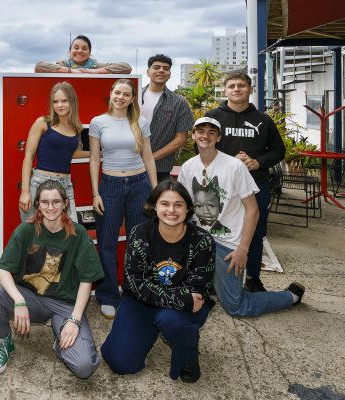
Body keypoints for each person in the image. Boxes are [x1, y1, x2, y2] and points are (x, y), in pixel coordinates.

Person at [178, 117, 305, 317]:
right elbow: (185, 208)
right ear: (193, 135)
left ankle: (290, 296)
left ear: (219, 137)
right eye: (200, 131)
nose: (205, 136)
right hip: (199, 241)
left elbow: (253, 210)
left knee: (236, 306)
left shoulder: (234, 166)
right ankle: (211, 284)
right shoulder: (187, 167)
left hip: (228, 244)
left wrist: (242, 250)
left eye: (212, 132)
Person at [0, 179, 104, 378]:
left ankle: (60, 335)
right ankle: (3, 342)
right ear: (37, 204)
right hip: (32, 300)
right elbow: (2, 270)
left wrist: (74, 319)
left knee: (84, 368)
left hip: (65, 305)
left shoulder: (78, 234)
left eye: (56, 201)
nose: (50, 207)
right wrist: (19, 301)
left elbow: (86, 280)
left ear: (65, 203)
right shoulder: (26, 230)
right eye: (45, 202)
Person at [101, 180, 215, 383]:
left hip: (179, 310)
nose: (171, 210)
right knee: (121, 363)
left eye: (178, 204)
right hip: (142, 303)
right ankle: (148, 331)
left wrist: (180, 301)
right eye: (164, 204)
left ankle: (188, 348)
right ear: (153, 207)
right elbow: (136, 284)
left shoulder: (202, 240)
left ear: (188, 209)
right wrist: (180, 298)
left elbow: (197, 291)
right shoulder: (139, 234)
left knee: (169, 320)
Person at [205, 71, 286, 293]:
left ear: (250, 89)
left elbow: (279, 150)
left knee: (256, 233)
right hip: (219, 186)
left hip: (256, 185)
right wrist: (230, 163)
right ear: (225, 90)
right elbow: (200, 146)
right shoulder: (212, 117)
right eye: (231, 86)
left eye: (241, 85)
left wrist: (257, 162)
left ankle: (252, 278)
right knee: (215, 230)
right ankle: (213, 278)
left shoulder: (263, 120)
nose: (237, 89)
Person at [89, 78, 158, 319]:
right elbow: (95, 158)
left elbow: (149, 157)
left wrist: (155, 191)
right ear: (110, 94)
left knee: (137, 241)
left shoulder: (141, 122)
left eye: (126, 94)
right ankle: (108, 294)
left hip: (139, 184)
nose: (120, 97)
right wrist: (96, 192)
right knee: (107, 242)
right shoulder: (98, 122)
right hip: (110, 186)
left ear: (132, 98)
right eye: (117, 92)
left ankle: (134, 290)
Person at [19, 81, 89, 222]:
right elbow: (28, 157)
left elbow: (71, 154)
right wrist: (25, 191)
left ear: (72, 102)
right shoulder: (43, 123)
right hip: (40, 183)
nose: (59, 105)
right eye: (55, 101)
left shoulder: (76, 127)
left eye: (64, 101)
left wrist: (98, 153)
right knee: (34, 234)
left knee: (72, 229)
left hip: (65, 185)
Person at [140, 54, 194, 183]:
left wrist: (151, 157)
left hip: (161, 167)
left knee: (157, 202)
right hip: (129, 164)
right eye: (156, 67)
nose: (161, 71)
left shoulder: (179, 102)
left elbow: (181, 139)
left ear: (169, 74)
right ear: (148, 72)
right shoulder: (133, 96)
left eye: (165, 68)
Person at [35, 35, 131, 74]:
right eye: (76, 48)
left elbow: (126, 68)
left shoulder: (96, 66)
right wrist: (71, 71)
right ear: (69, 51)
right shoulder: (62, 64)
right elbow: (39, 66)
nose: (80, 51)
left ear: (89, 53)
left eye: (84, 49)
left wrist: (92, 72)